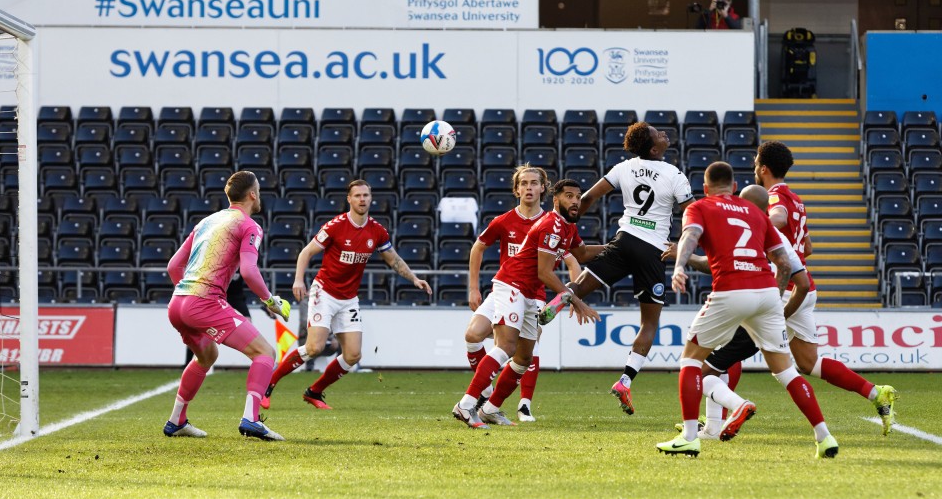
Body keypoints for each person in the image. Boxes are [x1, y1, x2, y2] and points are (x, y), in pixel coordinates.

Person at [657, 162, 837, 459]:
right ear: (734, 187)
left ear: (704, 187)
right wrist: (774, 300)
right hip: (767, 293)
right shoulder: (756, 214)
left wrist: (679, 265)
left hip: (731, 290)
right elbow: (783, 263)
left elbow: (689, 236)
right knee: (786, 371)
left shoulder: (701, 206)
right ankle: (824, 436)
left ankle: (690, 437)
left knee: (690, 360)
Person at [539, 121, 693, 416]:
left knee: (580, 287)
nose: (663, 133)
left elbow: (589, 198)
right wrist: (683, 245)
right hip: (653, 251)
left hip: (624, 240)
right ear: (653, 148)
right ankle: (625, 381)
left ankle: (554, 304)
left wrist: (569, 223)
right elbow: (692, 213)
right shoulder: (674, 175)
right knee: (649, 324)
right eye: (657, 133)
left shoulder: (624, 167)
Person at [754, 140, 897, 434]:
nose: (754, 166)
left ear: (764, 168)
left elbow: (778, 218)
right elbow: (807, 247)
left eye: (756, 161)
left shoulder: (774, 197)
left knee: (730, 344)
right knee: (809, 363)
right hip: (803, 285)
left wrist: (754, 226)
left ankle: (712, 423)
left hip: (784, 289)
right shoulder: (797, 200)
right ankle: (876, 393)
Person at [261, 180, 432, 409]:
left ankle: (314, 392)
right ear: (349, 199)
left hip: (349, 298)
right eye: (358, 196)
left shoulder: (377, 231)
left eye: (366, 195)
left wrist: (414, 278)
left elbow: (394, 260)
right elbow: (306, 252)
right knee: (314, 348)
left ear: (371, 199)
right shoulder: (335, 226)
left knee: (353, 355)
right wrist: (298, 279)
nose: (362, 199)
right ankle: (269, 384)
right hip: (325, 292)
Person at [453, 179, 604, 429]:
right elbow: (544, 272)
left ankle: (490, 409)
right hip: (512, 285)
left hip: (531, 295)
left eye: (578, 197)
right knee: (506, 345)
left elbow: (583, 254)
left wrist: (617, 248)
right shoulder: (551, 225)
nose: (575, 201)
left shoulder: (567, 227)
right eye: (569, 196)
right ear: (555, 199)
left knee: (523, 358)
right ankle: (467, 404)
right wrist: (576, 300)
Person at [664, 184, 811, 439]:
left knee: (697, 370)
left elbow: (714, 265)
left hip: (743, 306)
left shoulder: (752, 227)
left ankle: (737, 406)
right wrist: (776, 310)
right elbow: (802, 270)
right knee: (723, 365)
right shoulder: (776, 235)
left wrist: (683, 257)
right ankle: (711, 428)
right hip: (764, 308)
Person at [163, 170, 291, 441]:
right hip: (204, 302)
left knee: (206, 356)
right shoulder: (249, 225)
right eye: (259, 190)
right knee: (265, 352)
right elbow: (249, 271)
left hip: (177, 304)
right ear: (252, 194)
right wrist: (271, 300)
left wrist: (187, 296)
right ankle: (251, 420)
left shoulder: (207, 221)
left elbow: (174, 266)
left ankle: (176, 420)